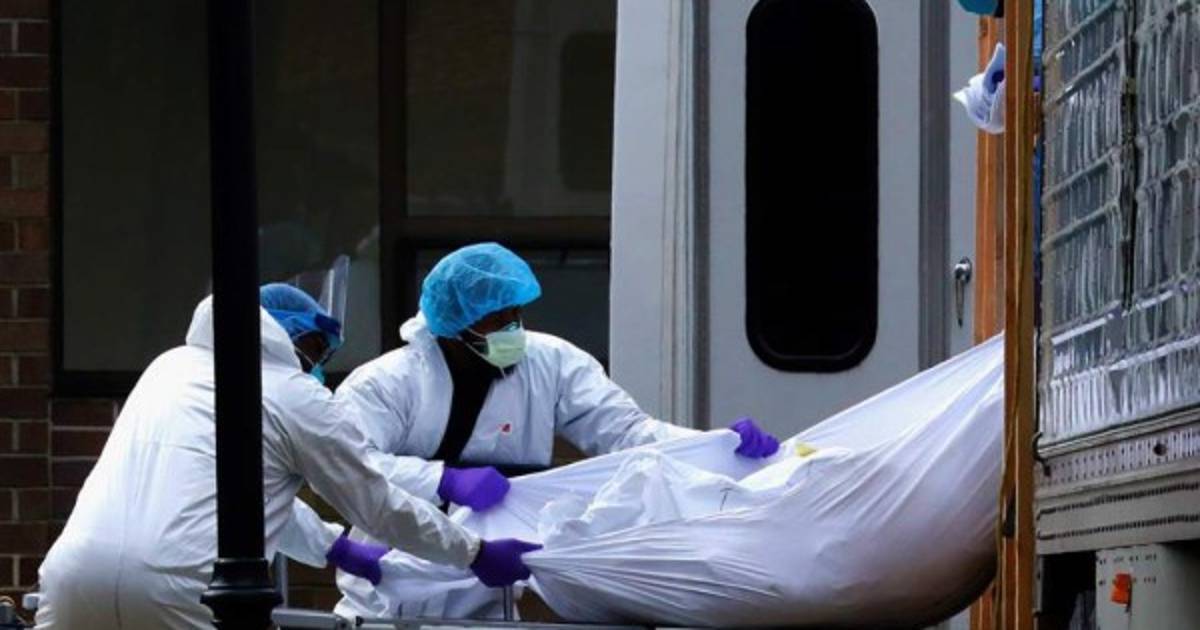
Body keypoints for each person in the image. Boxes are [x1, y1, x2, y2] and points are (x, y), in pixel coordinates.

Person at [33, 284, 539, 630]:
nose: (317, 365)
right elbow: (376, 503)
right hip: (186, 590)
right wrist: (473, 552)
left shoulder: (169, 368)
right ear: (285, 336)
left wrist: (334, 548)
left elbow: (238, 493)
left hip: (73, 576)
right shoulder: (294, 394)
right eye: (316, 348)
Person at [331, 242, 779, 617]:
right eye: (496, 317)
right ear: (455, 323)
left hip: (488, 596)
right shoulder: (386, 383)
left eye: (515, 313)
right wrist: (441, 480)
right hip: (384, 593)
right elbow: (346, 465)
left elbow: (629, 434)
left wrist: (718, 445)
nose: (512, 327)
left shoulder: (552, 364)